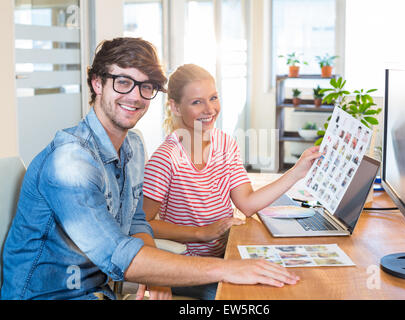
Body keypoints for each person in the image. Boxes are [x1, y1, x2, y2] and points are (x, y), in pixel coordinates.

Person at [0, 38, 300, 300]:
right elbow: (118, 255)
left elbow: (137, 221)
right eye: (122, 82)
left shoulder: (132, 147)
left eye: (145, 87)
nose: (135, 96)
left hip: (101, 291)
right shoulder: (70, 162)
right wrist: (226, 268)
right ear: (96, 83)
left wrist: (156, 273)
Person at [142, 64, 321, 299]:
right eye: (197, 102)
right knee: (249, 294)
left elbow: (246, 203)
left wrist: (297, 172)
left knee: (288, 279)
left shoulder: (225, 144)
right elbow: (143, 224)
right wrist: (201, 232)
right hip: (187, 267)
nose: (210, 109)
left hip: (228, 252)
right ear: (175, 106)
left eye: (213, 98)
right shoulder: (165, 158)